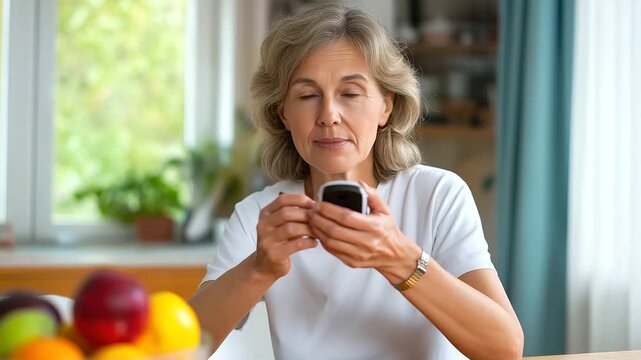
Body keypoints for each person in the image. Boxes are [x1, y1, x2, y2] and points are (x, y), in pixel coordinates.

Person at [189, 3, 523, 359]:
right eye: (307, 95)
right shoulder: (259, 215)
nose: (329, 116)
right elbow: (182, 347)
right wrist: (258, 268)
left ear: (386, 106)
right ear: (283, 113)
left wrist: (400, 259)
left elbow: (504, 349)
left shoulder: (438, 195)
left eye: (350, 94)